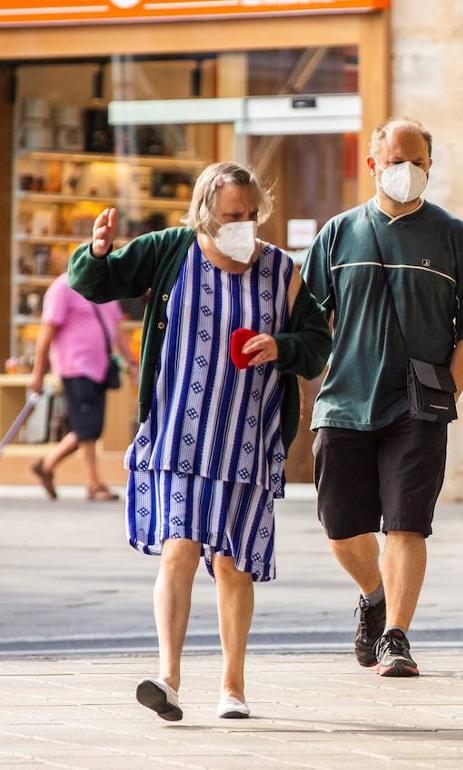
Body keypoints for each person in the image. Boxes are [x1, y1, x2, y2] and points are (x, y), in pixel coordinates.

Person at [68, 161, 331, 721]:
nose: (242, 225)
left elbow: (316, 343)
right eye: (230, 216)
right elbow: (97, 284)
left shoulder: (282, 272)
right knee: (179, 550)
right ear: (204, 215)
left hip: (247, 441)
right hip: (177, 436)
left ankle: (232, 686)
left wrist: (280, 346)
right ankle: (168, 677)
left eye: (249, 215)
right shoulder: (170, 251)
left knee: (233, 564)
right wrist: (94, 252)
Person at [303, 117, 463, 677]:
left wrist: (445, 394)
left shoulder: (454, 237)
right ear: (373, 166)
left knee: (407, 525)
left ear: (430, 167)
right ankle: (374, 595)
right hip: (344, 403)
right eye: (395, 161)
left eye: (416, 162)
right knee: (341, 528)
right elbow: (305, 322)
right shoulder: (338, 235)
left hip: (417, 409)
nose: (406, 172)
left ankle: (396, 637)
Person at [28, 274, 134, 501]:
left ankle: (47, 465)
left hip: (100, 369)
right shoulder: (63, 287)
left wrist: (132, 363)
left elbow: (117, 330)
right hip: (75, 367)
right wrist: (38, 373)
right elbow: (46, 332)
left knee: (89, 428)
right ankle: (93, 483)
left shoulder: (106, 285)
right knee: (88, 427)